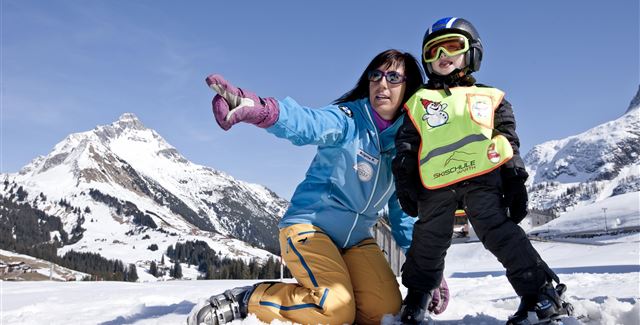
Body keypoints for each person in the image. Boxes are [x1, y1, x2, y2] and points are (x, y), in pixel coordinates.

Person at [187, 49, 449, 325]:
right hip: (309, 228)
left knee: (384, 312)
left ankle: (322, 301)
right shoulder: (349, 119)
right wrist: (258, 108)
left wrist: (429, 272)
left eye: (394, 77)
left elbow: (403, 214)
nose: (381, 84)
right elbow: (308, 122)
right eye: (376, 75)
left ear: (409, 88)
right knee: (334, 311)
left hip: (356, 240)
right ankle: (248, 299)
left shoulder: (405, 145)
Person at [392, 17, 573, 325]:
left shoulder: (492, 98)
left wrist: (515, 179)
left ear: (472, 52)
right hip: (436, 184)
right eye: (433, 51)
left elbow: (507, 140)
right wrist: (405, 180)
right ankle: (418, 295)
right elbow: (407, 146)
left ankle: (539, 293)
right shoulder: (419, 102)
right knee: (428, 238)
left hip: (483, 179)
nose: (442, 56)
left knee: (498, 232)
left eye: (452, 46)